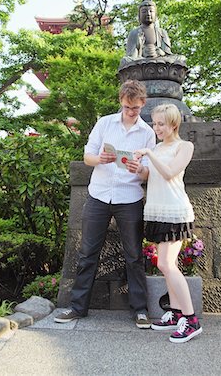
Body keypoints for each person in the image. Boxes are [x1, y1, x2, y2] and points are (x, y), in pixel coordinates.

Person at [54, 80, 155, 328]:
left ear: (142, 104)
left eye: (136, 108)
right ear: (121, 101)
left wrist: (139, 169)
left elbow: (149, 174)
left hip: (129, 198)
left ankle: (140, 310)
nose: (131, 112)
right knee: (88, 253)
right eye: (127, 106)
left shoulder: (147, 133)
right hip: (99, 195)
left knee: (133, 256)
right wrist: (101, 158)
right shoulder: (105, 123)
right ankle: (77, 307)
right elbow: (87, 156)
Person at [134, 103, 202, 343]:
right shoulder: (156, 147)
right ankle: (175, 314)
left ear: (174, 124)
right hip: (156, 210)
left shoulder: (185, 146)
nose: (156, 128)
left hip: (175, 212)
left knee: (166, 264)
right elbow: (150, 175)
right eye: (155, 123)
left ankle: (191, 320)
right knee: (167, 264)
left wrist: (150, 154)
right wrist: (138, 168)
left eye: (161, 124)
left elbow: (170, 172)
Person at [119, 0, 186, 69]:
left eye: (151, 11)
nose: (148, 14)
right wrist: (139, 48)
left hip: (159, 60)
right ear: (139, 15)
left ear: (156, 15)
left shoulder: (162, 32)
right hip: (142, 61)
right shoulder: (134, 33)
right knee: (125, 61)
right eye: (144, 12)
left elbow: (168, 53)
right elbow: (131, 56)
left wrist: (159, 52)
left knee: (181, 59)